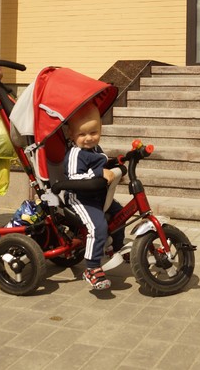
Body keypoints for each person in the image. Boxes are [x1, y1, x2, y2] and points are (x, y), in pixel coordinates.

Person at [63, 102, 125, 291]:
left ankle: (116, 247)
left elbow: (102, 164)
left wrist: (117, 163)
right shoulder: (76, 154)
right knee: (98, 227)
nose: (88, 138)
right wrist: (98, 174)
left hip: (98, 195)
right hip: (80, 197)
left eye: (93, 132)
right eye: (82, 134)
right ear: (72, 136)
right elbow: (74, 178)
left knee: (120, 215)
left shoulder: (96, 150)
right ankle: (91, 268)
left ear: (100, 130)